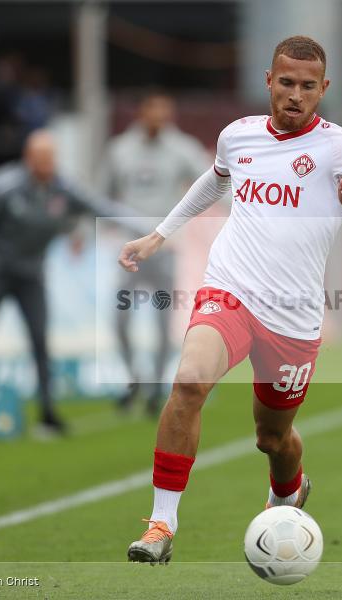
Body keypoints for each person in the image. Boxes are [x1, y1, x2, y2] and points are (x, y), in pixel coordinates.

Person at [119, 36, 342, 563]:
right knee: (189, 382)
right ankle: (161, 524)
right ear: (269, 80)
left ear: (324, 88)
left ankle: (287, 491)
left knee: (273, 438)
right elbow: (214, 182)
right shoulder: (238, 135)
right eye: (286, 83)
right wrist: (159, 234)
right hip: (231, 288)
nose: (296, 95)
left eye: (308, 86)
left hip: (292, 316)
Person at [0, 129, 143, 435]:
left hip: (31, 275)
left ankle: (47, 411)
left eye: (51, 158)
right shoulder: (4, 186)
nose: (47, 164)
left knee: (40, 341)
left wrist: (148, 227)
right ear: (28, 158)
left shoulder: (63, 188)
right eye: (41, 158)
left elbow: (100, 207)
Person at [96, 91, 210, 415]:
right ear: (142, 112)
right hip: (130, 252)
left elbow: (211, 181)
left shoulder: (181, 148)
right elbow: (101, 194)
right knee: (120, 319)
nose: (159, 118)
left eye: (165, 112)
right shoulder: (120, 150)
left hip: (164, 250)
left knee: (163, 323)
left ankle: (157, 387)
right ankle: (134, 378)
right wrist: (88, 230)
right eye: (154, 111)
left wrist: (240, 209)